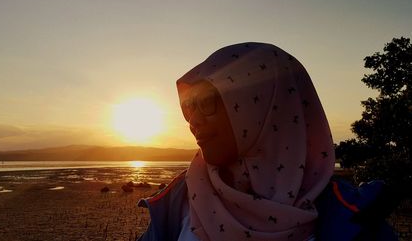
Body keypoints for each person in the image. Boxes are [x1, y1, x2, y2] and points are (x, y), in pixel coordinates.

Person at [137, 42, 398, 241]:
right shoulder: (180, 200)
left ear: (266, 108)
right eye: (187, 106)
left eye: (206, 102)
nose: (192, 120)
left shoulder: (354, 219)